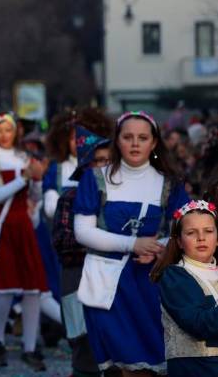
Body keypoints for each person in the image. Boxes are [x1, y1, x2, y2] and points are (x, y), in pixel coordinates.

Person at [74, 111, 188, 376]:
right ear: (117, 141)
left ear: (154, 143)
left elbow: (181, 231)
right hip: (105, 285)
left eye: (142, 137)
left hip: (150, 285)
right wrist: (133, 244)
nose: (135, 143)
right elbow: (82, 232)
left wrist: (158, 248)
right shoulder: (95, 179)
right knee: (120, 367)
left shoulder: (170, 185)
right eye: (128, 137)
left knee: (150, 367)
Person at [0, 113, 48, 371]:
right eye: (0, 130)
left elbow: (33, 196)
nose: (5, 134)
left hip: (22, 227)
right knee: (4, 288)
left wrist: (36, 180)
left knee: (32, 289)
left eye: (9, 129)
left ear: (16, 132)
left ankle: (29, 346)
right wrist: (24, 177)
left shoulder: (24, 157)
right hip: (1, 227)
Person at [47, 116, 113, 377]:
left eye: (107, 160)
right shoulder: (70, 198)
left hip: (112, 280)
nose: (102, 166)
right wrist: (101, 242)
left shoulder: (123, 197)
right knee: (83, 346)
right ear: (85, 166)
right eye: (96, 161)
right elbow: (63, 243)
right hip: (77, 279)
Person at [152, 199, 218, 376]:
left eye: (209, 231)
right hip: (196, 368)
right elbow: (199, 325)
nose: (201, 237)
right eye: (191, 232)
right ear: (179, 242)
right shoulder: (176, 276)